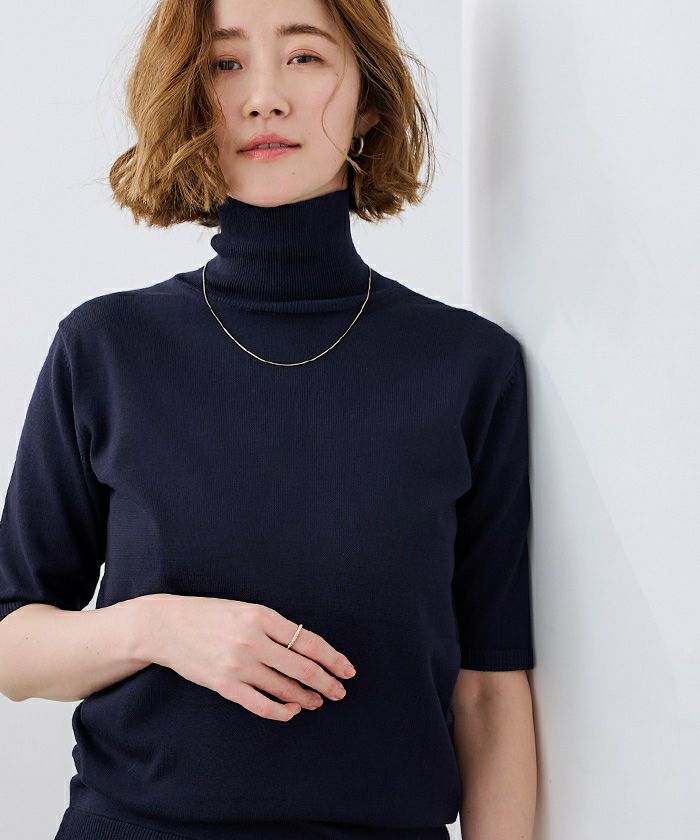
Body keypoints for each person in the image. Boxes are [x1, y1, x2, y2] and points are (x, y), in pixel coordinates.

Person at [0, 1, 537, 838]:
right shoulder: (105, 347)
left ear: (369, 101)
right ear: (190, 96)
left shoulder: (470, 367)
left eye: (305, 57)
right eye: (225, 64)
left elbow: (491, 692)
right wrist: (157, 627)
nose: (264, 97)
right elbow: (13, 646)